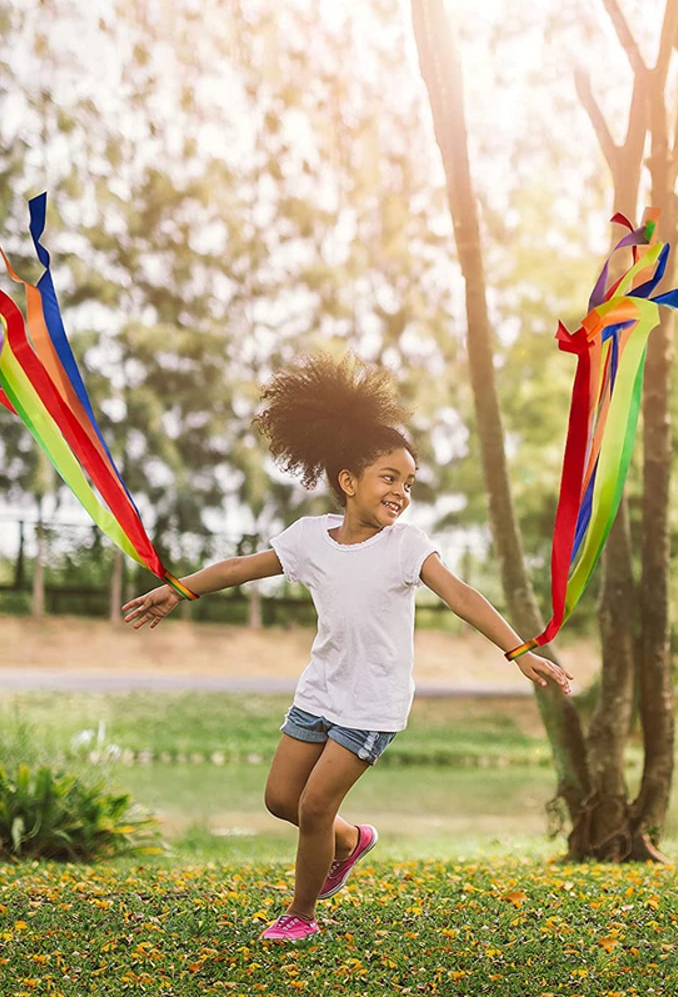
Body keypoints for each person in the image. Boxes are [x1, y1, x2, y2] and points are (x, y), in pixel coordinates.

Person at [122, 353, 572, 942]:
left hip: (374, 702)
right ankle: (352, 839)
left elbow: (462, 596)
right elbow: (240, 567)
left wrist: (520, 651)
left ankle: (300, 916)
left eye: (408, 482)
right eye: (389, 477)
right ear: (348, 481)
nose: (401, 492)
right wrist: (178, 590)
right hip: (322, 688)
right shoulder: (309, 538)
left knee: (313, 806)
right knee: (281, 799)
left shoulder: (407, 545)